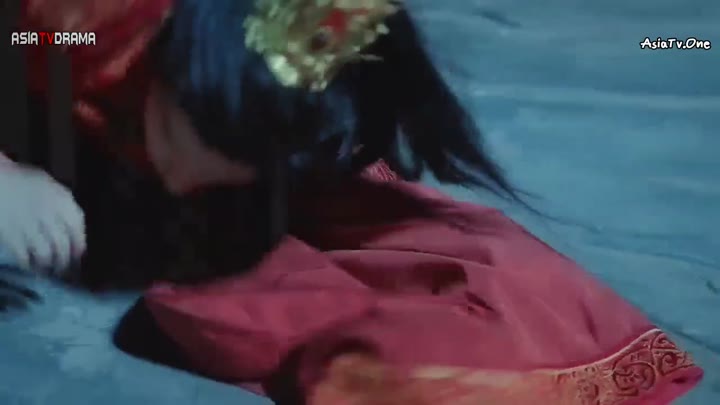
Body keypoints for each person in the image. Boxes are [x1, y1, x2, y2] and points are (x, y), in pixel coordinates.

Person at [0, 0, 703, 403]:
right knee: (243, 296)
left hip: (215, 128)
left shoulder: (290, 44)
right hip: (55, 137)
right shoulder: (71, 23)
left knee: (435, 242)